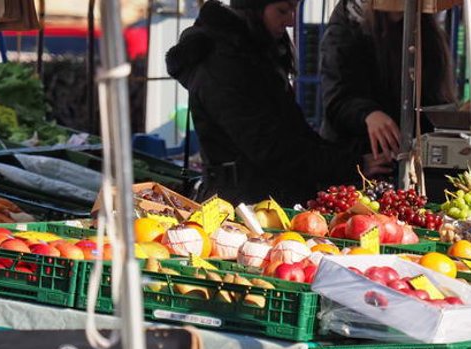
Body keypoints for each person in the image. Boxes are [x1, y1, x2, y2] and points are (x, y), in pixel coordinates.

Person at [166, 0, 392, 206]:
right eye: (283, 10)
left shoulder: (253, 55)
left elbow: (295, 133)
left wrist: (349, 161)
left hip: (264, 198)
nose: (291, 21)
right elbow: (271, 148)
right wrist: (351, 165)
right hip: (243, 207)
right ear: (253, 9)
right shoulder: (225, 66)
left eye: (293, 10)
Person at [319, 0, 457, 163]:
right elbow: (336, 95)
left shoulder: (424, 31)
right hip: (358, 157)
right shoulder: (348, 24)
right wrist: (368, 114)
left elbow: (432, 96)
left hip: (407, 156)